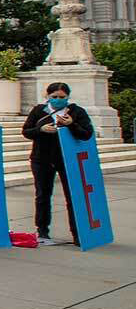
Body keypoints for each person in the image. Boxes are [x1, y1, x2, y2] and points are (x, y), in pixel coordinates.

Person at [21, 82, 94, 246]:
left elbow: (86, 134)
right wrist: (41, 130)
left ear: (68, 97)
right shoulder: (39, 111)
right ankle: (42, 229)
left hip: (67, 159)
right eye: (54, 97)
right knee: (42, 195)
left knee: (72, 196)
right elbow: (26, 131)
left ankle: (77, 233)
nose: (58, 100)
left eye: (62, 97)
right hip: (42, 158)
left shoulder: (76, 112)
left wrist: (71, 125)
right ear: (47, 96)